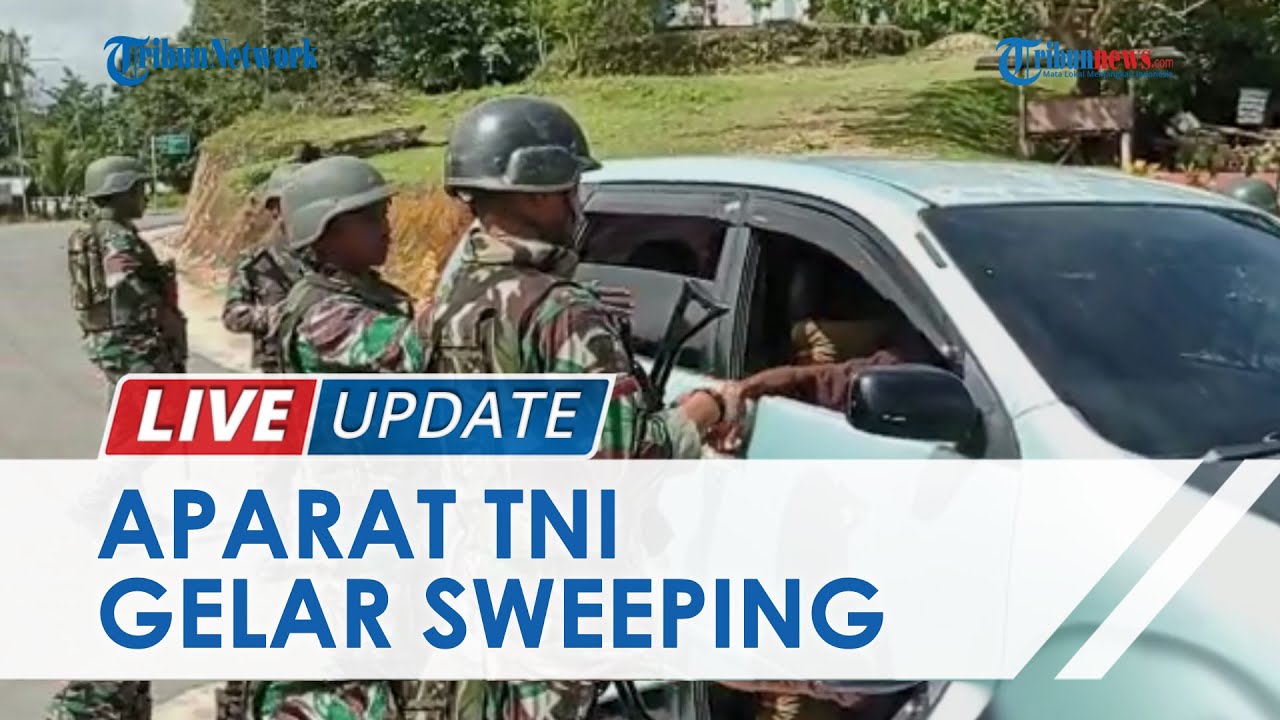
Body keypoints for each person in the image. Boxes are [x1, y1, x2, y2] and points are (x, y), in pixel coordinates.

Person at [421, 95, 744, 720]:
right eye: (571, 185)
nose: (578, 200)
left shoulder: (452, 300)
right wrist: (705, 409)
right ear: (540, 192)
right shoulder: (561, 312)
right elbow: (622, 460)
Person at [270, 155, 433, 375]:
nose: (386, 229)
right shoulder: (323, 316)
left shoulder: (364, 289)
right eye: (370, 219)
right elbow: (409, 349)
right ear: (323, 233)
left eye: (384, 214)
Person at [67, 155, 187, 409]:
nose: (145, 197)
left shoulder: (94, 231)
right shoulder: (118, 237)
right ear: (122, 193)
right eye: (139, 190)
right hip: (133, 344)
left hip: (108, 340)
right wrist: (165, 317)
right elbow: (125, 282)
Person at [221, 163, 306, 373]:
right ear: (275, 209)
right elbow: (232, 316)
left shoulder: (331, 251)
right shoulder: (255, 262)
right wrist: (279, 315)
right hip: (279, 365)